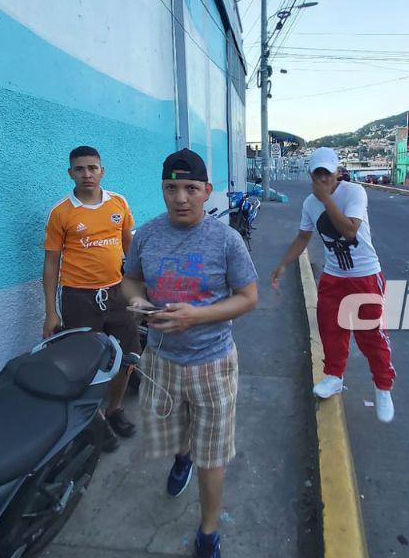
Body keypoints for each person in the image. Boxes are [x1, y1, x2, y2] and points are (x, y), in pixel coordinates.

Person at [121, 148, 258, 558]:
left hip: (212, 362)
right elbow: (130, 280)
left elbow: (248, 297)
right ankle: (181, 458)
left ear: (207, 191)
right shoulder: (146, 235)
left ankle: (208, 531)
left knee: (212, 456)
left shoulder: (227, 240)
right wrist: (139, 304)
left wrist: (195, 317)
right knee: (176, 432)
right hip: (161, 360)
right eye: (171, 188)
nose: (180, 198)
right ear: (162, 189)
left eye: (190, 188)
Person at [270, 147, 396, 423]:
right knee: (330, 329)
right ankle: (334, 377)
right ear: (311, 176)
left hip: (365, 275)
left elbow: (349, 230)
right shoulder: (309, 204)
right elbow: (303, 237)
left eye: (327, 173)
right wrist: (283, 264)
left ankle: (383, 386)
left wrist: (326, 199)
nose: (323, 179)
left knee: (370, 334)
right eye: (318, 175)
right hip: (333, 276)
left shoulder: (354, 193)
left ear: (338, 172)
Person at [43, 145, 141, 452]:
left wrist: (138, 289)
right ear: (70, 173)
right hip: (78, 298)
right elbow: (51, 263)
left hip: (116, 293)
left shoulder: (118, 203)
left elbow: (129, 247)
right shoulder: (61, 212)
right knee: (86, 364)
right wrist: (50, 312)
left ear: (102, 171)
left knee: (127, 357)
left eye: (92, 168)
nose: (87, 174)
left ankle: (114, 410)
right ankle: (94, 420)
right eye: (80, 169)